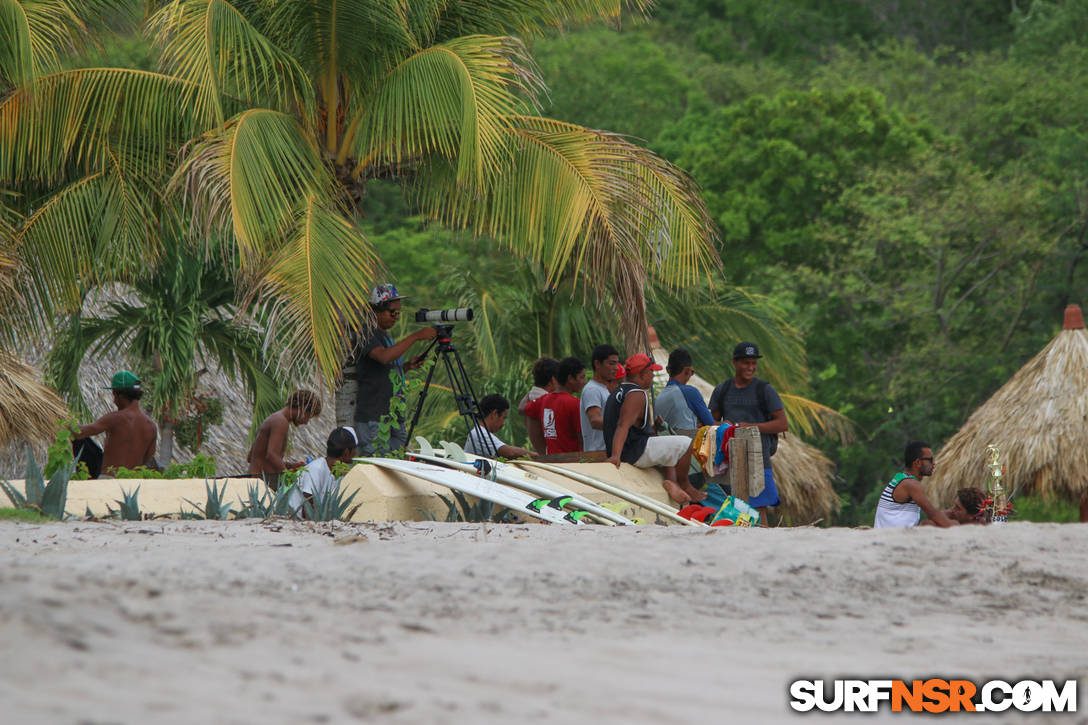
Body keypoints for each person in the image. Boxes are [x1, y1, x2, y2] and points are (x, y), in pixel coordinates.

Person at [340, 284, 437, 455]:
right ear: (376, 311)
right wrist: (416, 336)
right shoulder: (366, 333)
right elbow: (383, 357)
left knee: (397, 464)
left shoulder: (385, 336)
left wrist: (406, 366)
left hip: (393, 417)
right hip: (374, 419)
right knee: (378, 468)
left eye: (398, 313)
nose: (396, 317)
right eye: (393, 312)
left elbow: (384, 371)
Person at [604, 353, 704, 506]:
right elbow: (623, 425)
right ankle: (685, 484)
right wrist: (616, 456)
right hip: (633, 452)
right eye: (651, 372)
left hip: (628, 448)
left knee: (668, 445)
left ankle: (671, 483)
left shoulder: (619, 391)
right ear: (641, 374)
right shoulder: (636, 394)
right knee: (686, 444)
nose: (652, 376)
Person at [709, 342, 788, 525]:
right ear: (734, 362)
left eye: (754, 363)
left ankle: (763, 540)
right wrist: (725, 426)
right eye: (746, 363)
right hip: (729, 459)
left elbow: (783, 424)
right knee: (734, 506)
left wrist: (749, 427)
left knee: (759, 507)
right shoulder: (723, 390)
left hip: (759, 457)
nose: (751, 368)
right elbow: (707, 422)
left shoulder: (765, 390)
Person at [74, 371, 157, 477]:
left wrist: (62, 421)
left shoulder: (115, 418)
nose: (113, 401)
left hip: (109, 481)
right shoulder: (151, 426)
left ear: (120, 395)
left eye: (114, 395)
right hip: (133, 483)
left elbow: (80, 433)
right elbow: (149, 461)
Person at [247, 390, 322, 489]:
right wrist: (291, 478)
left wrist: (291, 466)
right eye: (308, 417)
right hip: (261, 483)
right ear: (302, 408)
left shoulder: (273, 418)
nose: (306, 422)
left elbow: (251, 457)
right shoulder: (281, 422)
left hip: (252, 480)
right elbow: (272, 455)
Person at [875, 441, 958, 528]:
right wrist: (955, 527)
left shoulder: (901, 478)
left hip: (889, 532)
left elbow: (934, 514)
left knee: (937, 521)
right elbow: (932, 513)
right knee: (932, 524)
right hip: (894, 537)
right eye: (930, 460)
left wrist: (951, 513)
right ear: (918, 462)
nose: (934, 463)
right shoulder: (911, 484)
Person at [288, 427, 358, 519]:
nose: (355, 453)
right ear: (346, 452)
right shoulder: (316, 469)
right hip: (295, 519)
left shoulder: (339, 473)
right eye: (354, 449)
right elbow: (307, 510)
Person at [524, 357, 586, 454]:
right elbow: (582, 438)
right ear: (570, 378)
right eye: (582, 377)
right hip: (573, 462)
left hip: (552, 462)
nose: (584, 382)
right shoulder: (575, 403)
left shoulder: (542, 401)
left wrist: (541, 453)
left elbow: (525, 409)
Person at [655, 348, 715, 433]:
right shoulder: (690, 392)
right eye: (692, 372)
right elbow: (712, 425)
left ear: (667, 370)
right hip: (685, 444)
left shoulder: (659, 397)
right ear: (687, 370)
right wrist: (726, 424)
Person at [465, 394, 536, 459]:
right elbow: (510, 453)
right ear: (495, 414)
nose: (504, 423)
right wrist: (537, 456)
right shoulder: (480, 434)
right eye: (504, 418)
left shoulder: (479, 432)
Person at [579, 344, 620, 451]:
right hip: (597, 454)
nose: (616, 368)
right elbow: (595, 421)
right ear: (597, 363)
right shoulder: (592, 389)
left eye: (617, 364)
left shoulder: (604, 389)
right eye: (611, 363)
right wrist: (624, 427)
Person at [518, 357, 559, 454]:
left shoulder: (530, 398)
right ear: (553, 380)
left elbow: (520, 409)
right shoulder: (545, 401)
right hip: (550, 455)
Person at [922, 486, 988, 526]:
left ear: (971, 516)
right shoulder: (949, 516)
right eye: (955, 505)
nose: (953, 509)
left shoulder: (981, 524)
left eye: (958, 508)